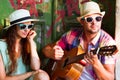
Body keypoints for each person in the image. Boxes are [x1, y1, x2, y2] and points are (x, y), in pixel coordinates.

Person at [42, 1, 118, 80]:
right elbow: (46, 49)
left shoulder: (107, 43)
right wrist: (51, 52)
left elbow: (109, 78)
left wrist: (95, 63)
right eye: (89, 19)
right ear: (82, 21)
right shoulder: (72, 35)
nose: (94, 22)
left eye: (98, 18)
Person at [0, 9, 50, 80]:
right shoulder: (1, 46)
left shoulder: (29, 43)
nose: (27, 30)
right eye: (23, 26)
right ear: (14, 28)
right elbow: (2, 78)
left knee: (43, 76)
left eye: (29, 26)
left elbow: (36, 67)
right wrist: (30, 73)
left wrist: (31, 41)